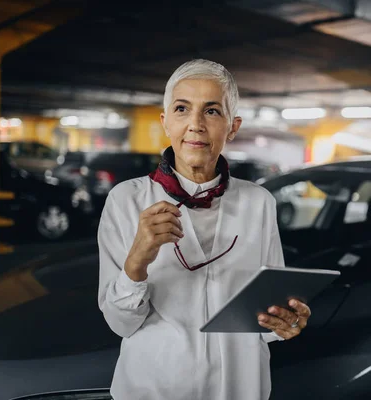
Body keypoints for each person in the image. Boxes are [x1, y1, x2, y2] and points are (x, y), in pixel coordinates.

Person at [97, 59, 311, 400]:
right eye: (182, 109)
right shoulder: (126, 200)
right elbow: (120, 324)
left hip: (241, 387)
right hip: (155, 388)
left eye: (212, 111)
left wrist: (285, 322)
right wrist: (137, 261)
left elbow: (268, 310)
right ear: (165, 122)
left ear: (233, 127)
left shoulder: (258, 202)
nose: (196, 124)